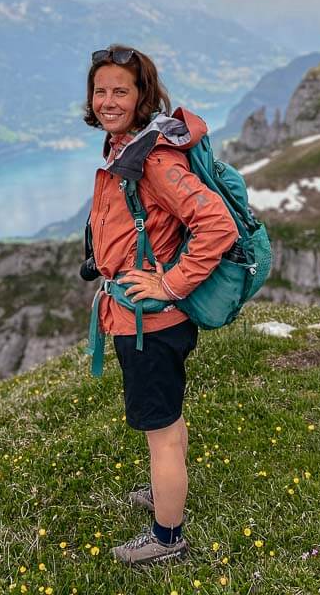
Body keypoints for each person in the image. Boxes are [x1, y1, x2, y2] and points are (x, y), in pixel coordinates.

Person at [83, 44, 238, 566]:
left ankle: (167, 539)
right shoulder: (126, 146)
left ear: (142, 96)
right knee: (166, 423)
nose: (107, 100)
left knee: (162, 432)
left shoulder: (153, 160)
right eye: (100, 90)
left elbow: (217, 225)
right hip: (140, 317)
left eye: (120, 91)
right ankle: (165, 487)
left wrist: (170, 285)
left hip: (152, 322)